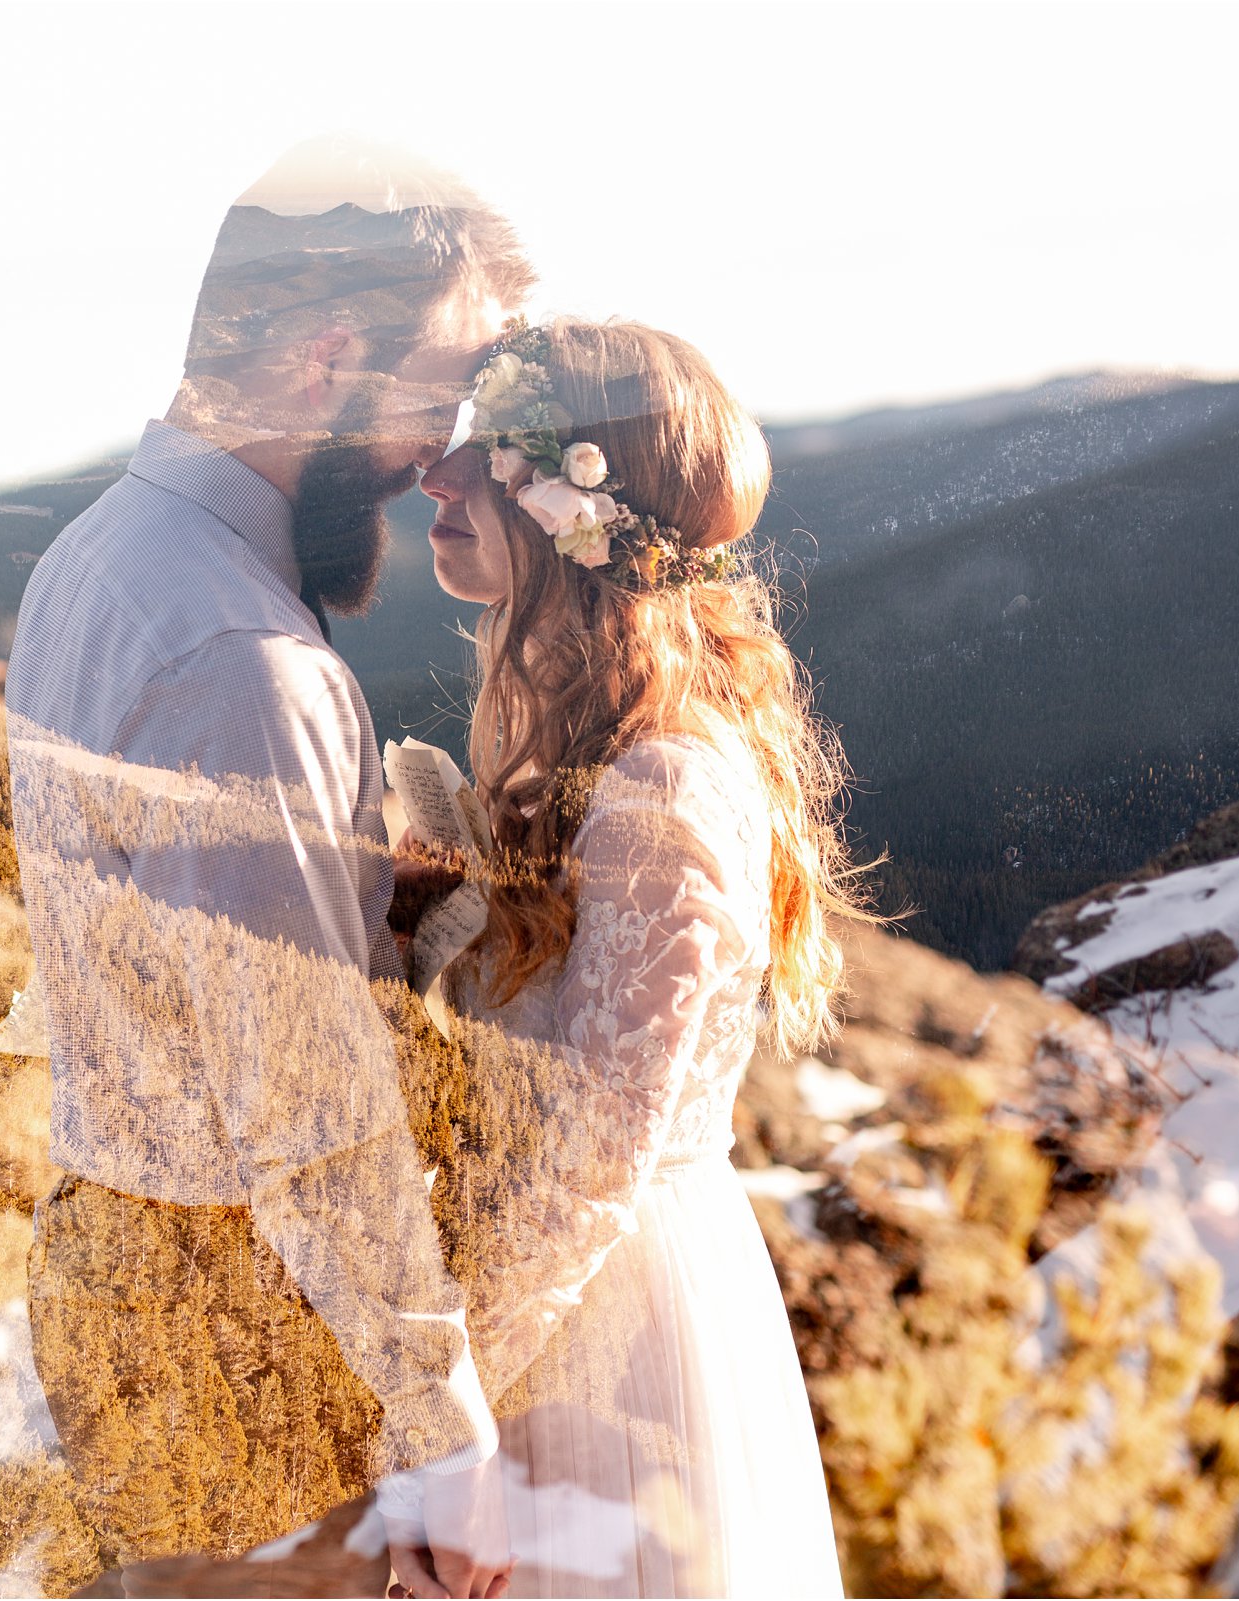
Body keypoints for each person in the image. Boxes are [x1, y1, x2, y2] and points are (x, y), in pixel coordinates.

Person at [3, 140, 535, 1599]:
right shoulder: (241, 659)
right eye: (443, 385)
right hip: (237, 1330)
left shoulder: (99, 557)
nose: (443, 451)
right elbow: (307, 1115)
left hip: (124, 1270)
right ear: (324, 359)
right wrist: (445, 1432)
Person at [398, 316, 874, 1597]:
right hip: (554, 1319)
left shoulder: (659, 786)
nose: (432, 479)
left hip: (607, 1349)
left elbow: (586, 1171)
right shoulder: (574, 742)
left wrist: (438, 1423)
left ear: (569, 503)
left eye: (482, 454)